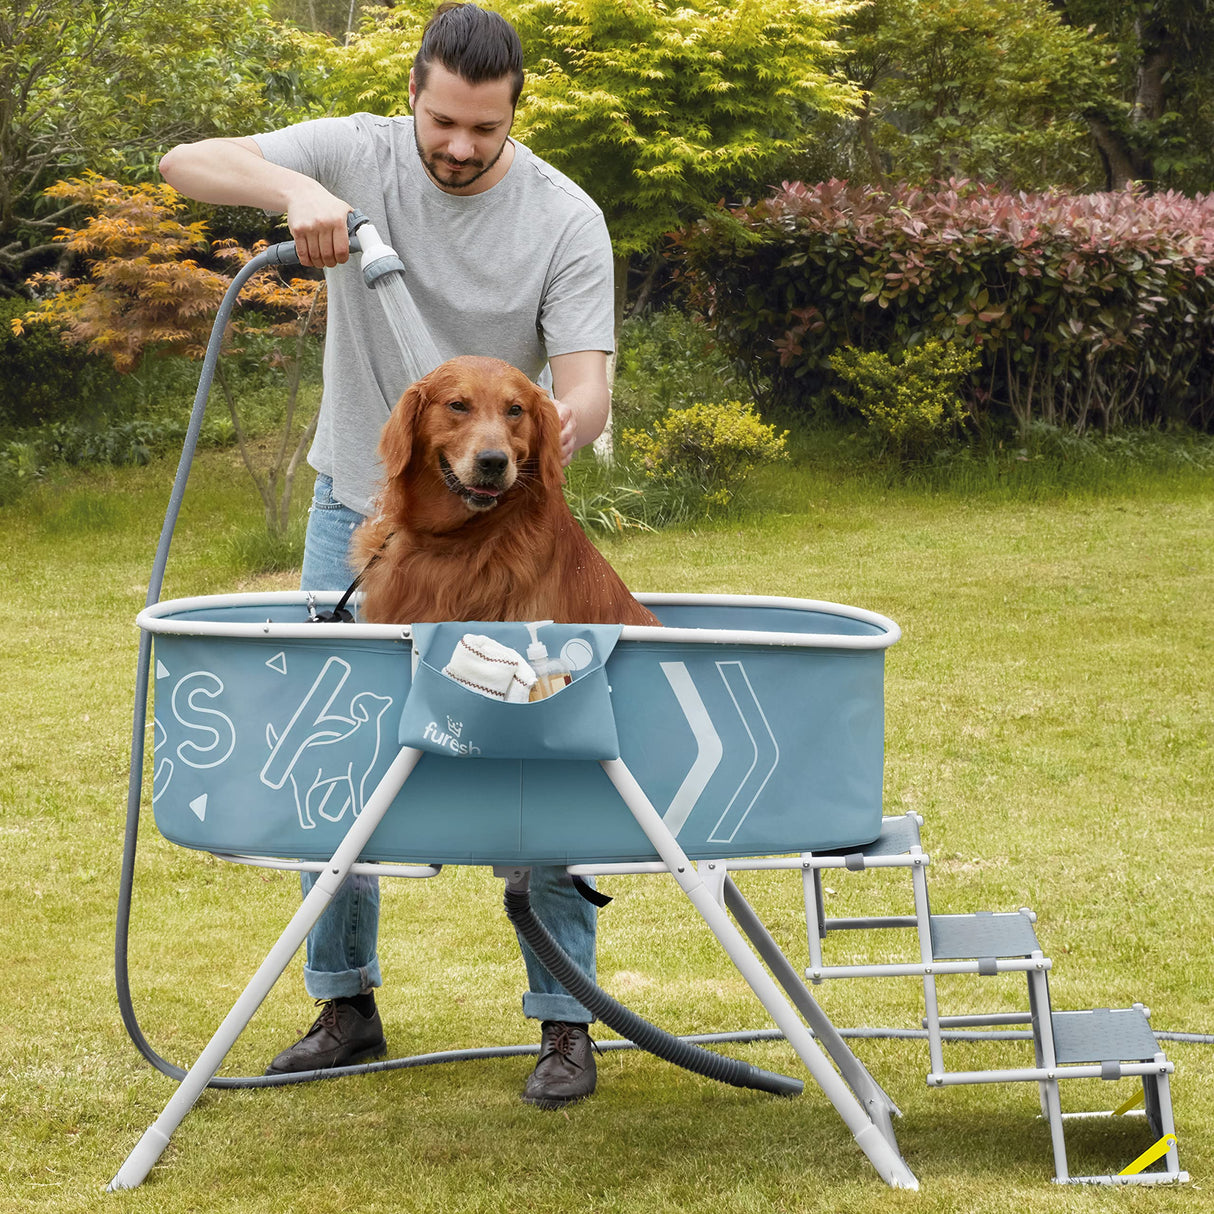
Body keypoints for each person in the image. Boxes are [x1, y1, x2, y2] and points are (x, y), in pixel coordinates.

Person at [158, 2, 614, 1109]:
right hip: (357, 515)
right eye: (443, 121)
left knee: (542, 744)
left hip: (512, 532)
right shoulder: (352, 152)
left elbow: (588, 387)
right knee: (340, 752)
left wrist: (527, 440)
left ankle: (564, 1022)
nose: (460, 147)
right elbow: (181, 161)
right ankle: (343, 1002)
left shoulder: (562, 216)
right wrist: (296, 192)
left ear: (514, 117)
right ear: (413, 93)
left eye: (484, 130)